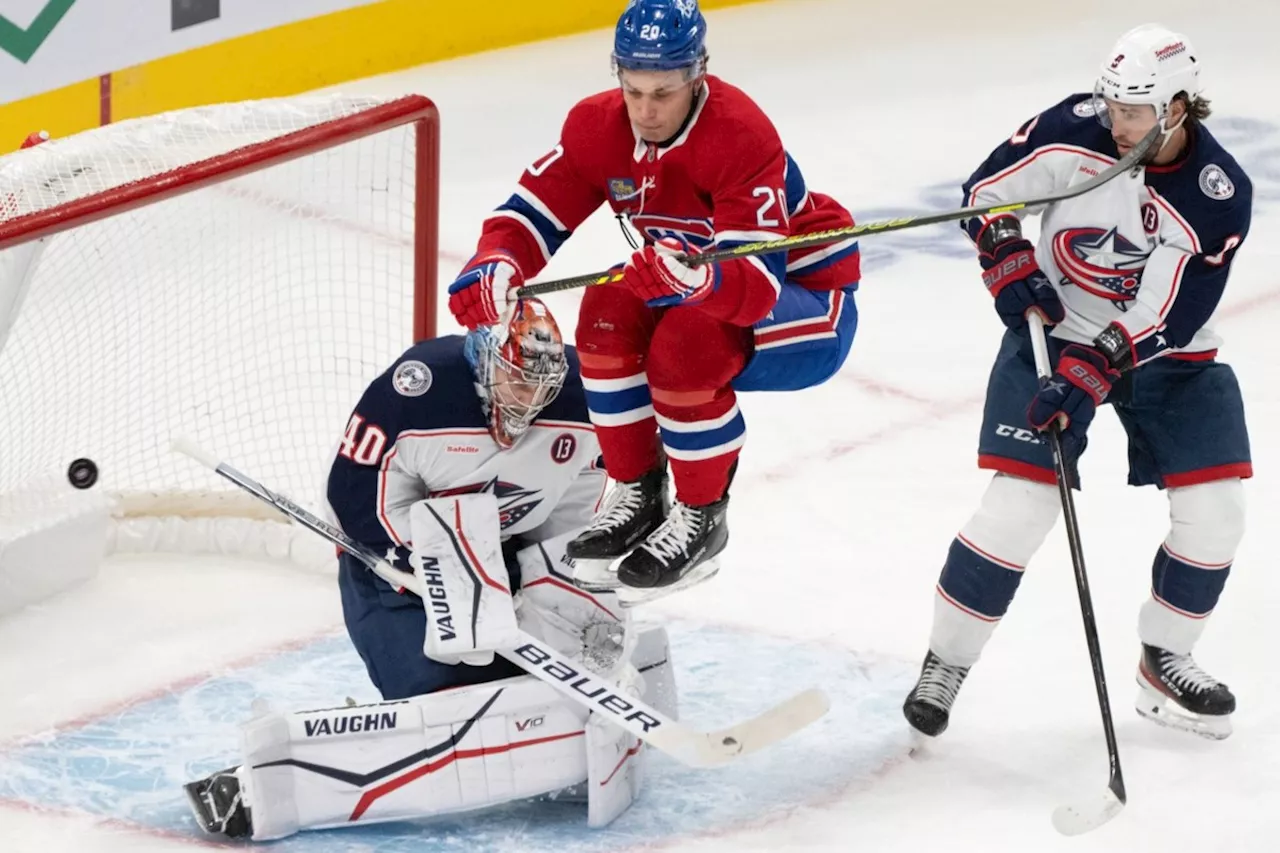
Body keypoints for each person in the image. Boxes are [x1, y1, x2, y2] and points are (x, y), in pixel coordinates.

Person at [184, 300, 676, 840]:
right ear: (488, 364)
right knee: (446, 691)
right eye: (516, 384)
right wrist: (421, 566)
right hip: (395, 573)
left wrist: (541, 573)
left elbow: (578, 493)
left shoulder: (588, 395)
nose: (529, 401)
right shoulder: (416, 390)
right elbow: (352, 499)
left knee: (563, 658)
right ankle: (286, 782)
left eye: (542, 388)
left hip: (505, 553)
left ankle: (550, 715)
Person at [445, 0, 863, 601]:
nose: (645, 111)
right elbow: (535, 209)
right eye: (633, 89)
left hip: (807, 299)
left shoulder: (741, 134)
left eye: (663, 93)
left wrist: (694, 282)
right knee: (604, 315)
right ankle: (639, 492)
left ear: (699, 74)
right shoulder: (597, 126)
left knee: (686, 346)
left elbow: (753, 290)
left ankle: (701, 515)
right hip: (693, 282)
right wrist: (498, 261)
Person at [902, 23, 1252, 741]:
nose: (1119, 124)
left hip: (1157, 353)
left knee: (1216, 513)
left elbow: (1169, 313)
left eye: (1137, 112)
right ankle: (945, 662)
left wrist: (1094, 370)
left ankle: (1167, 654)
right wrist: (1003, 253)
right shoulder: (1076, 129)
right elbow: (987, 192)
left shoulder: (1217, 194)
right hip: (1053, 332)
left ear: (1179, 107)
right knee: (1019, 506)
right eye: (1115, 107)